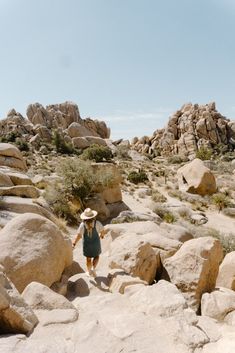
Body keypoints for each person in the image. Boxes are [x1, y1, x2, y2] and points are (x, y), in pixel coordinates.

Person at [72, 208, 106, 277]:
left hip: (87, 245)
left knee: (88, 258)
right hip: (96, 243)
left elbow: (79, 235)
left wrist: (74, 243)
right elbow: (102, 231)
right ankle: (93, 268)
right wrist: (102, 236)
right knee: (96, 256)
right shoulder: (97, 223)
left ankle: (89, 271)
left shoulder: (82, 225)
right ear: (93, 216)